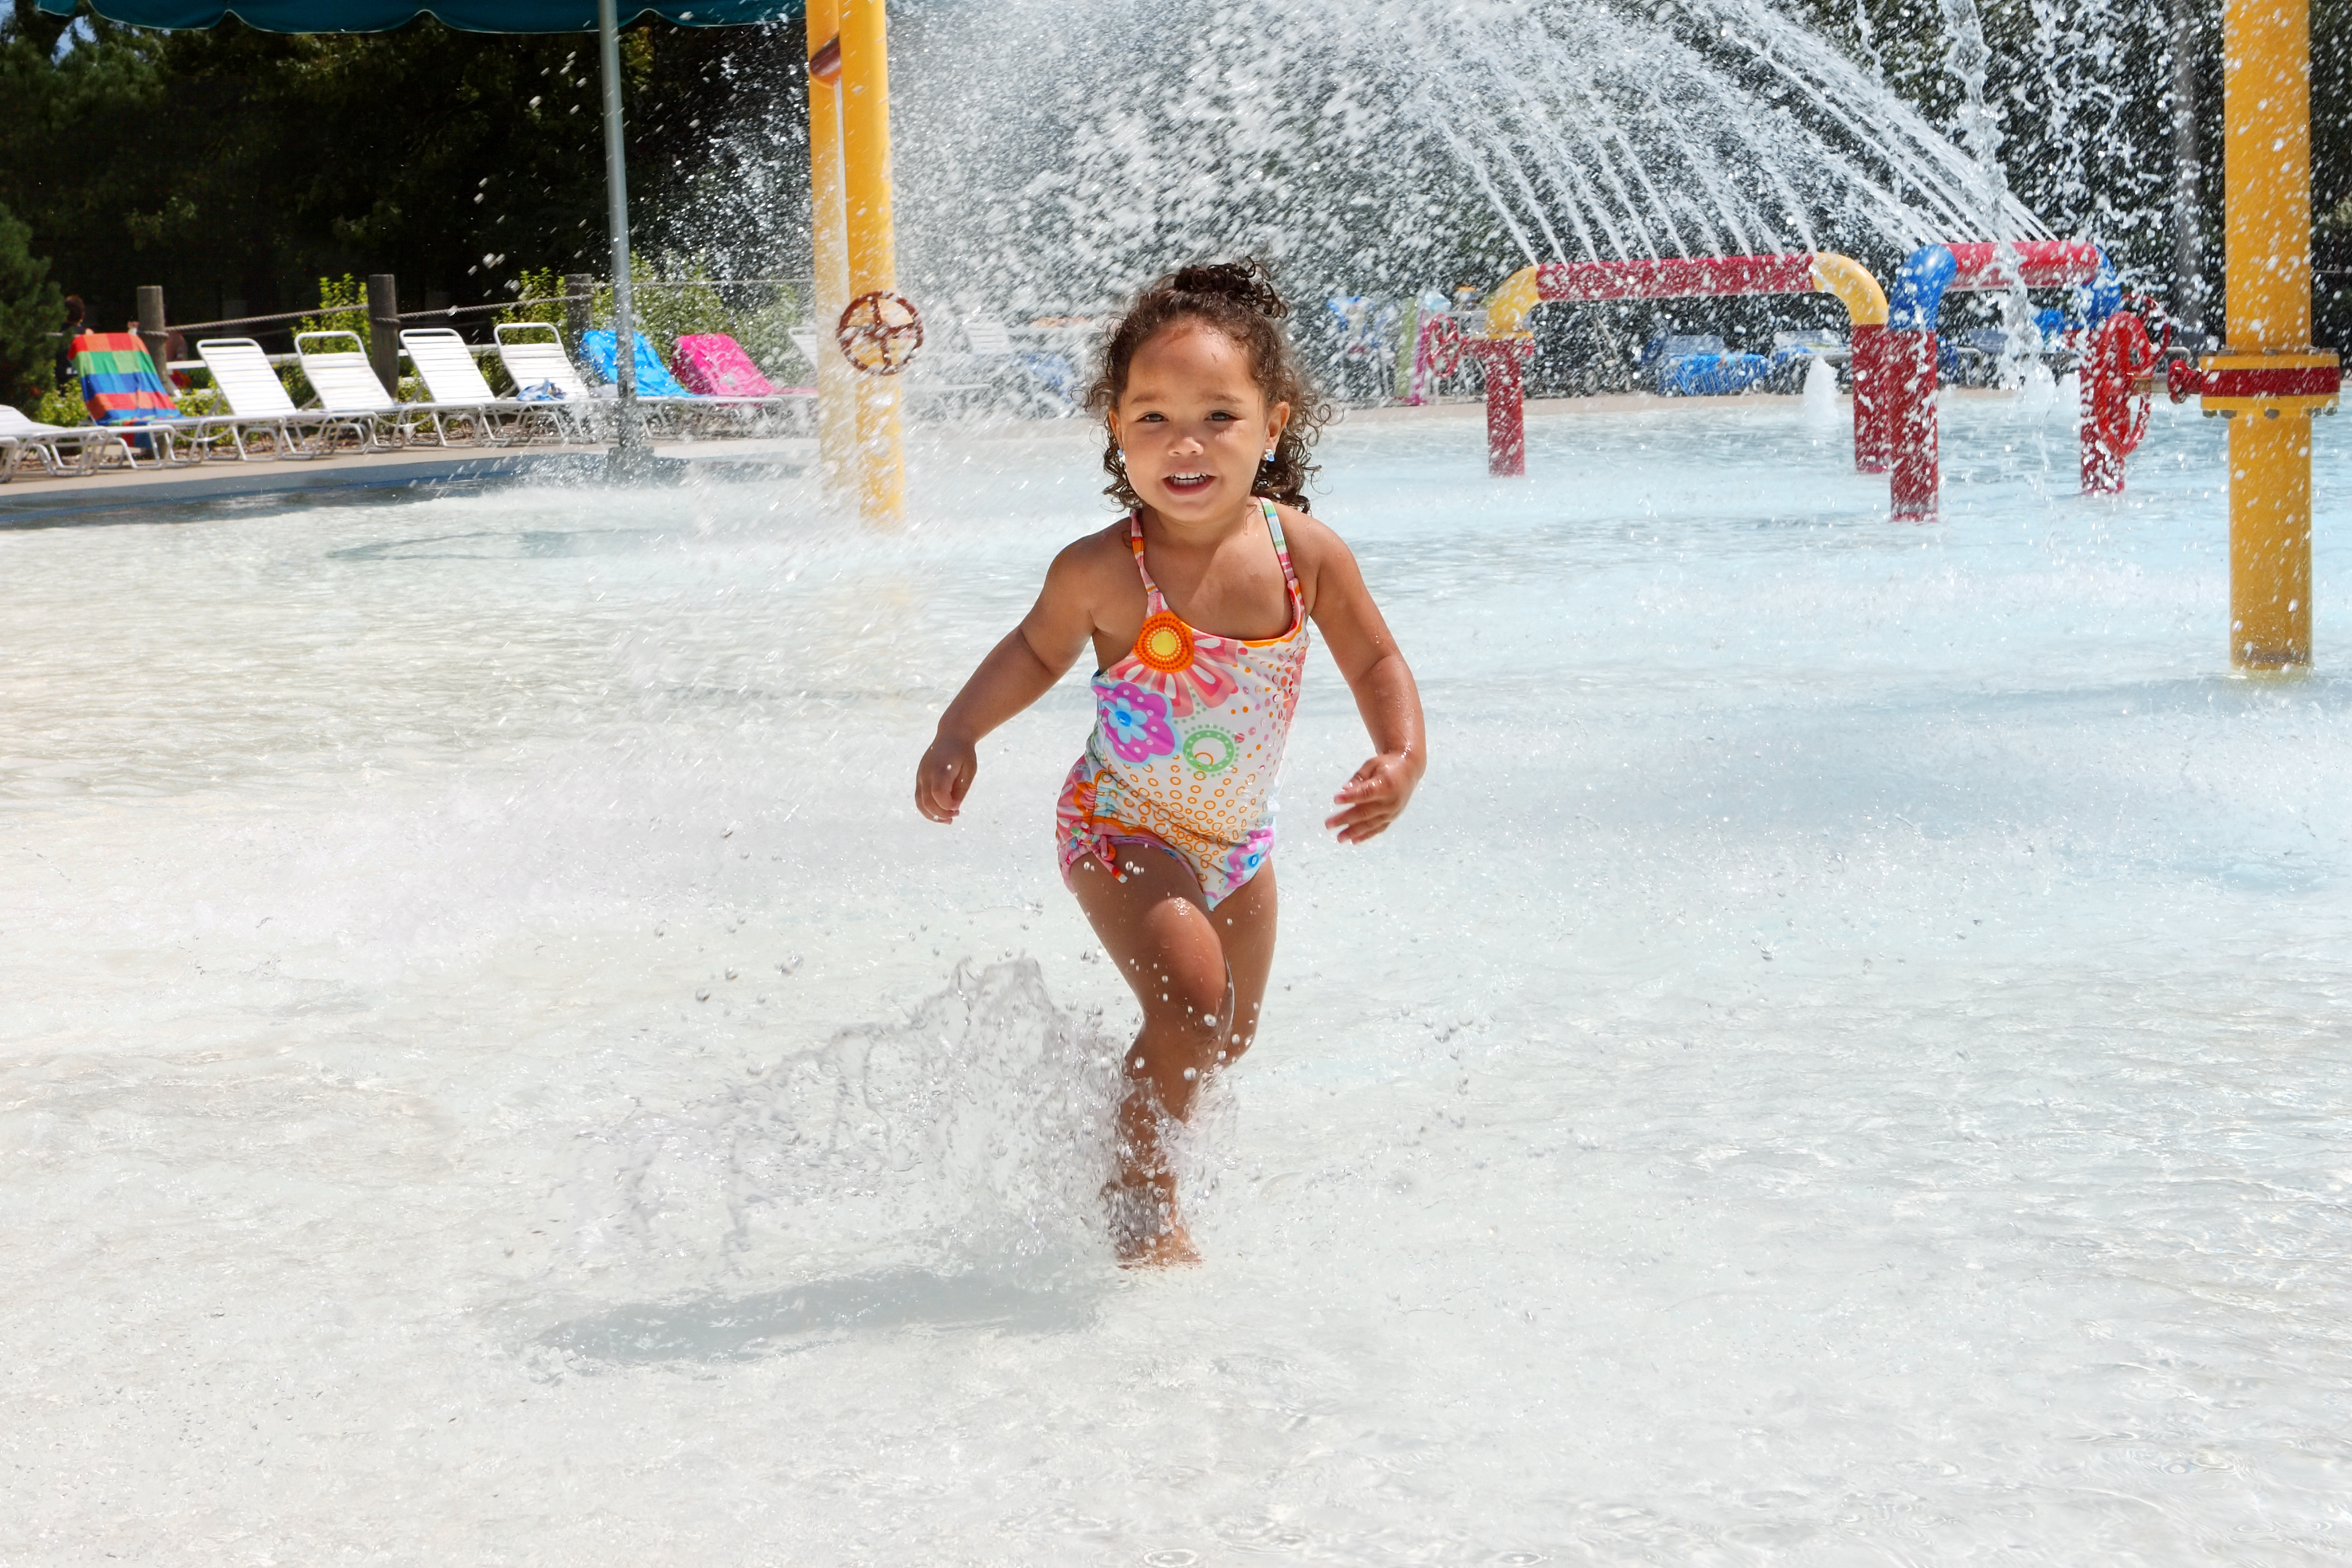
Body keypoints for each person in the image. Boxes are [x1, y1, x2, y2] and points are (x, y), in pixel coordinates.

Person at [914, 260, 1427, 1266]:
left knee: (1226, 1037)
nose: (1184, 443)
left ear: (1272, 426)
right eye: (1152, 418)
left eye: (1218, 417)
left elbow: (1375, 656)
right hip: (1119, 822)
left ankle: (1114, 1120)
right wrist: (958, 732)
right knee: (1191, 1009)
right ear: (1115, 427)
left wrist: (1401, 756)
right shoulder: (1104, 568)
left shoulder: (1304, 554)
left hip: (1238, 838)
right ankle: (1138, 1195)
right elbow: (1031, 651)